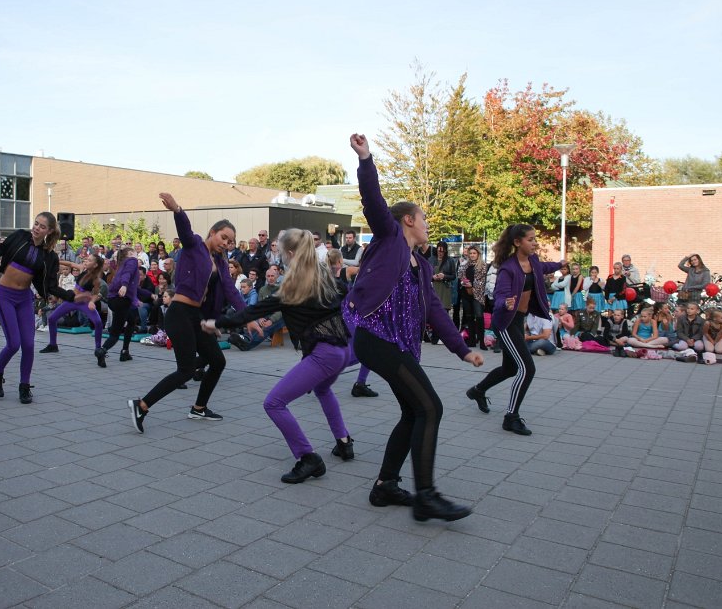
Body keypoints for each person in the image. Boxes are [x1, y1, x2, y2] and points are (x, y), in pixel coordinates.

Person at [343, 134, 482, 523]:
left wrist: (462, 348)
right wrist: (366, 159)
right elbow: (373, 200)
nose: (426, 225)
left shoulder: (420, 266)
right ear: (408, 220)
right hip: (375, 336)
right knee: (431, 407)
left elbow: (435, 310)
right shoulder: (390, 240)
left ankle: (386, 485)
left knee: (412, 411)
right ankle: (426, 495)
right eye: (423, 219)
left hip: (398, 343)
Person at [203, 228, 354, 484]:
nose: (278, 257)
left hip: (324, 354)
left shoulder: (292, 288)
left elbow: (253, 311)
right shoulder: (324, 277)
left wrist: (216, 322)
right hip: (342, 350)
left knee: (273, 403)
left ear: (291, 253)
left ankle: (308, 458)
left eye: (281, 253)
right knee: (323, 390)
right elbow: (346, 295)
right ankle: (344, 442)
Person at [127, 193, 252, 432]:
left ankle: (199, 408)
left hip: (197, 317)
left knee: (217, 360)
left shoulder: (222, 263)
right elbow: (185, 231)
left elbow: (231, 292)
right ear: (213, 233)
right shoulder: (195, 245)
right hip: (180, 312)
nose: (226, 243)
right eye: (223, 237)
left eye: (230, 241)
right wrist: (177, 210)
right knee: (185, 370)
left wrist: (250, 316)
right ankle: (141, 405)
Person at [0, 211, 93, 404]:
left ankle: (24, 386)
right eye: (36, 223)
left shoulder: (48, 255)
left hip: (24, 298)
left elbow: (50, 286)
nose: (36, 228)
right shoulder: (20, 236)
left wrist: (73, 296)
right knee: (14, 343)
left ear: (49, 231)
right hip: (5, 296)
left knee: (29, 345)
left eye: (42, 226)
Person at [466, 224, 565, 436]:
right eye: (530, 239)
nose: (535, 242)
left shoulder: (533, 261)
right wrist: (506, 303)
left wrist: (560, 264)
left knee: (510, 369)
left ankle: (477, 391)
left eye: (535, 238)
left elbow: (544, 268)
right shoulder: (508, 268)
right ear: (517, 242)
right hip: (506, 322)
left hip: (518, 320)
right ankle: (511, 418)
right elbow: (499, 295)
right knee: (527, 368)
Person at [43, 255, 105, 354]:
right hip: (72, 301)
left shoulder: (96, 279)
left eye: (89, 260)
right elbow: (70, 264)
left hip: (84, 303)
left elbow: (95, 294)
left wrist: (92, 302)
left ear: (95, 265)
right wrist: (57, 261)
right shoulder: (82, 268)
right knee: (51, 318)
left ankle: (98, 349)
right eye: (86, 259)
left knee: (98, 322)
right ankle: (53, 345)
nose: (86, 261)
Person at [95, 247, 141, 366]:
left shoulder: (122, 264)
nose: (137, 254)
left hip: (114, 300)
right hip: (121, 300)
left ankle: (125, 351)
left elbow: (134, 285)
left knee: (131, 320)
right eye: (135, 253)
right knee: (115, 334)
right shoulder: (132, 261)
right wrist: (124, 285)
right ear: (130, 254)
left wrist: (150, 295)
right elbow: (128, 274)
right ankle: (102, 351)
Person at [460, 245, 488, 350]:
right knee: (469, 316)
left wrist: (472, 286)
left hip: (478, 294)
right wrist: (464, 283)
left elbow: (482, 281)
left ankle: (482, 342)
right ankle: (471, 341)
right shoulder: (464, 265)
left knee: (479, 317)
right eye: (470, 253)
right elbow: (461, 277)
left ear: (478, 254)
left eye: (474, 253)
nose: (472, 255)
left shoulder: (483, 265)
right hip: (466, 293)